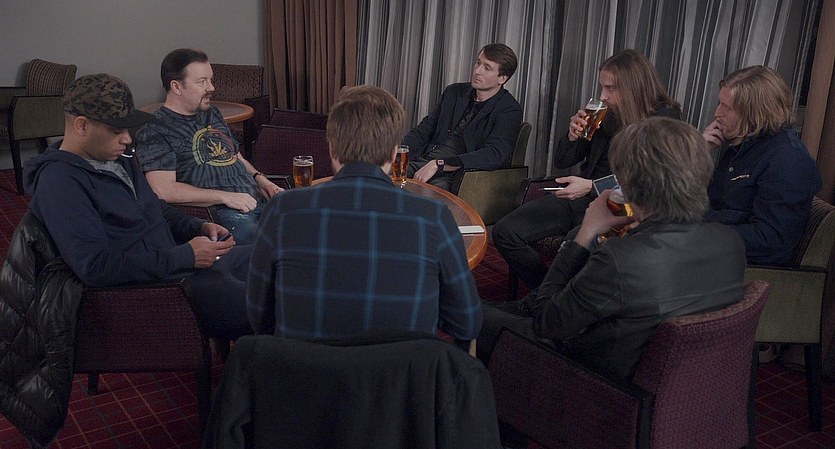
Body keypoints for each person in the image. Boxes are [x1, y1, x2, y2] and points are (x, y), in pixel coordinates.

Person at [477, 117, 746, 381]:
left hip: (591, 379)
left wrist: (586, 232)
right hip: (681, 379)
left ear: (631, 187)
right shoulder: (730, 242)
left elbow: (546, 323)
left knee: (467, 314)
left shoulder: (622, 259)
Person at [22, 73, 253, 340]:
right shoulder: (60, 182)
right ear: (82, 126)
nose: (128, 139)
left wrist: (197, 226)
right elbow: (96, 267)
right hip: (152, 294)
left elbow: (156, 208)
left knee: (274, 258)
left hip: (175, 267)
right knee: (272, 301)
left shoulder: (117, 157)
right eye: (116, 130)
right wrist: (185, 257)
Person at [247, 85, 483, 342]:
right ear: (394, 152)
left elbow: (259, 317)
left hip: (302, 366)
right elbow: (467, 324)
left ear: (331, 148)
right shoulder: (434, 218)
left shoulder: (282, 211)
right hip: (401, 367)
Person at [492, 49, 681, 292]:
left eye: (610, 88)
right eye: (602, 87)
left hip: (621, 204)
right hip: (581, 196)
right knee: (505, 231)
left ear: (633, 87)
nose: (603, 96)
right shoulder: (604, 112)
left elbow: (650, 178)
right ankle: (547, 295)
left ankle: (553, 299)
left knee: (575, 244)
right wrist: (573, 136)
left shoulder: (664, 117)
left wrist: (592, 186)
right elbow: (563, 160)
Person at [135, 48, 282, 245]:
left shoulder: (211, 113)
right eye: (201, 81)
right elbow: (163, 189)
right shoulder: (156, 129)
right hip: (221, 214)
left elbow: (234, 156)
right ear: (176, 87)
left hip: (257, 200)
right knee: (275, 244)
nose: (211, 87)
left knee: (310, 222)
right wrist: (226, 197)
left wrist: (261, 179)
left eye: (210, 80)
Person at [703, 65, 821, 266]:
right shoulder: (740, 145)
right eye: (719, 104)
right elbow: (710, 202)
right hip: (715, 250)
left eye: (727, 107)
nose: (717, 113)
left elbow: (769, 240)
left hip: (745, 267)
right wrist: (698, 154)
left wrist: (698, 236)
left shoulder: (788, 160)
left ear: (754, 112)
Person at [403, 43, 523, 191]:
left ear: (502, 78)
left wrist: (440, 164)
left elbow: (493, 154)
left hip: (458, 174)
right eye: (478, 63)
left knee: (429, 194)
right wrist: (397, 151)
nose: (477, 71)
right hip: (425, 159)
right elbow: (424, 130)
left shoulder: (509, 110)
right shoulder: (453, 92)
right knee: (382, 175)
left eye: (487, 68)